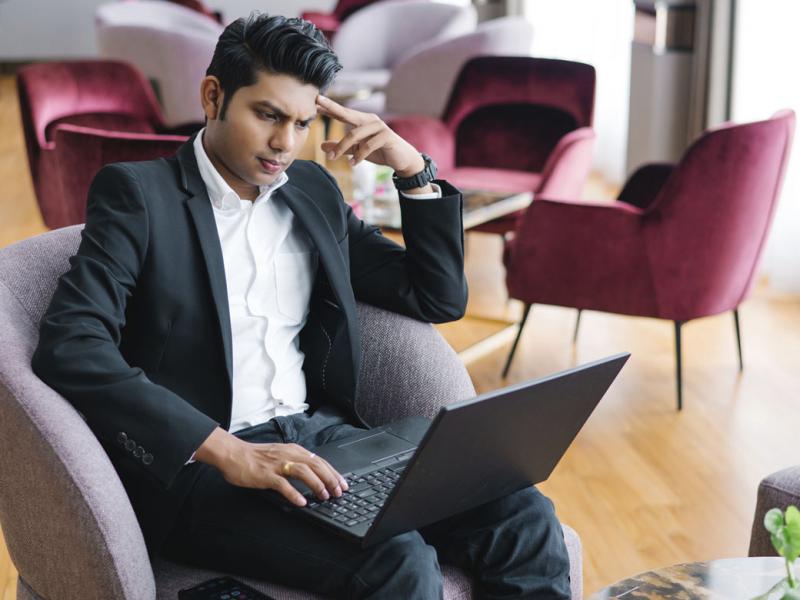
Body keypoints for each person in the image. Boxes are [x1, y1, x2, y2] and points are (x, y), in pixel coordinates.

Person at [32, 12, 570, 599]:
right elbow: (71, 346)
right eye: (267, 115)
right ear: (213, 96)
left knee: (522, 514)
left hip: (326, 442)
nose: (285, 143)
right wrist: (225, 449)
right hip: (203, 473)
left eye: (302, 121)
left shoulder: (312, 191)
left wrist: (413, 170)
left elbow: (435, 296)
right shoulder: (139, 196)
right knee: (396, 560)